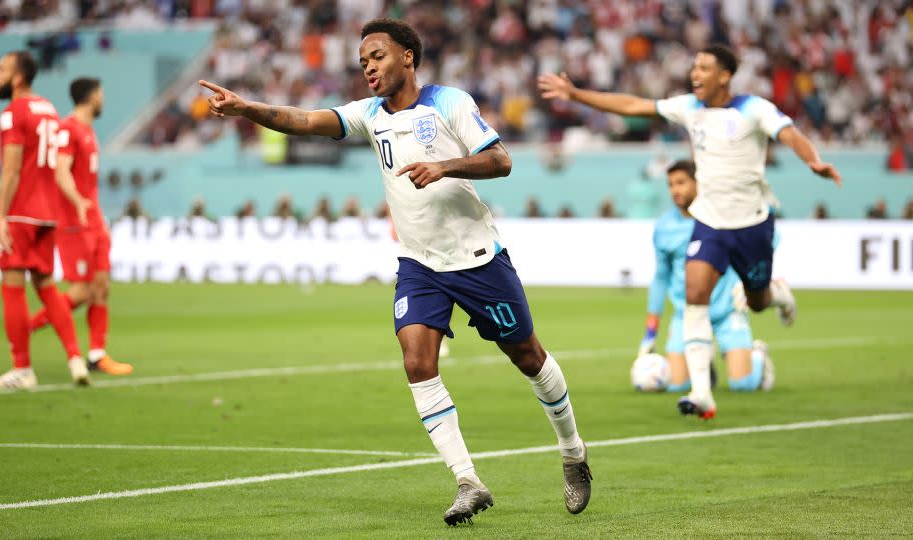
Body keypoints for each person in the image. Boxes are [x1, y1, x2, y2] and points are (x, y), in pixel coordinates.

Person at [199, 18, 591, 525]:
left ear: (408, 57)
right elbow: (302, 119)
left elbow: (501, 160)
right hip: (419, 264)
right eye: (363, 61)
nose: (368, 68)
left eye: (378, 56)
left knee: (528, 356)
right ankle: (468, 481)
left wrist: (445, 166)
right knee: (416, 362)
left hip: (476, 259)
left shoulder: (450, 102)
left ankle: (573, 452)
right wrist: (246, 107)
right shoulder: (368, 115)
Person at [538, 44, 841, 419]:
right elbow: (634, 105)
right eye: (694, 67)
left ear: (725, 75)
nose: (695, 73)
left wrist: (813, 161)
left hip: (751, 224)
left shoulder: (753, 109)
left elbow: (790, 133)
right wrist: (575, 94)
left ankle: (779, 294)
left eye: (704, 67)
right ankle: (702, 394)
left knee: (758, 300)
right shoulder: (689, 108)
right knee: (695, 293)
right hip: (710, 222)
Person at [0, 51, 90, 389]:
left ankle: (22, 368)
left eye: (0, 69)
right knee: (46, 287)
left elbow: (12, 168)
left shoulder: (12, 113)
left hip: (20, 211)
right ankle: (75, 359)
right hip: (48, 214)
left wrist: (0, 214)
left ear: (18, 77)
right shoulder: (49, 108)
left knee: (13, 286)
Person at [27, 77, 133, 376]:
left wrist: (100, 220)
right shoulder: (68, 129)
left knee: (102, 287)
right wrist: (78, 203)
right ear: (90, 97)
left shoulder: (88, 131)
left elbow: (87, 184)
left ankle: (97, 355)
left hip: (93, 222)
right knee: (82, 291)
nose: (103, 99)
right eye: (100, 94)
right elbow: (61, 172)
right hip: (74, 223)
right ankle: (27, 327)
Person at [640, 160, 774, 394]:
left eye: (681, 183)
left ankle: (759, 358)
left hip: (726, 310)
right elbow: (661, 278)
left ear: (698, 182)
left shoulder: (721, 215)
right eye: (670, 184)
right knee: (676, 385)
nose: (675, 190)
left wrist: (746, 283)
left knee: (742, 385)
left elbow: (766, 242)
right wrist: (650, 332)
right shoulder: (664, 227)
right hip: (687, 314)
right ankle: (706, 369)